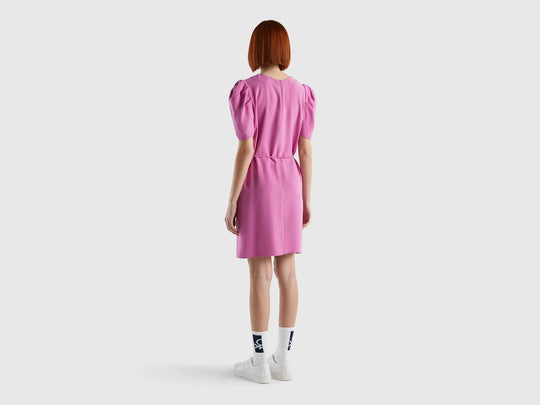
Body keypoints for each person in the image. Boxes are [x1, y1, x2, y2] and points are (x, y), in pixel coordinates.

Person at [224, 20, 316, 384]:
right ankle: (284, 359)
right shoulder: (302, 92)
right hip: (290, 181)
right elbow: (305, 150)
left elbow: (246, 148)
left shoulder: (246, 90)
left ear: (256, 48)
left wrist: (232, 200)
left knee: (260, 275)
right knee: (288, 273)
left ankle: (259, 361)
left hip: (260, 183)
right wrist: (306, 198)